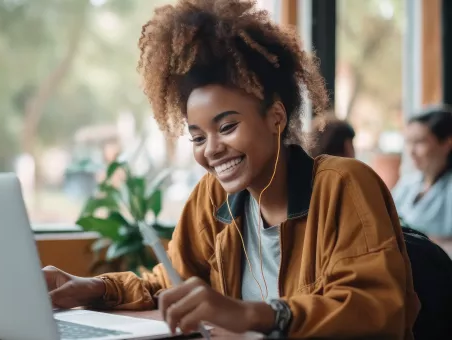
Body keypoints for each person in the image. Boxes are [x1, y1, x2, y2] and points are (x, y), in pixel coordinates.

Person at [43, 0, 419, 338]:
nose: (212, 150)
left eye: (226, 127)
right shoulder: (214, 196)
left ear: (275, 117)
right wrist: (96, 287)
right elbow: (173, 283)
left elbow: (374, 310)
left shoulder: (344, 184)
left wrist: (251, 315)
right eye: (197, 137)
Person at [392, 106, 452, 239]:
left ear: (447, 144)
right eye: (408, 142)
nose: (411, 152)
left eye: (420, 142)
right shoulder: (407, 183)